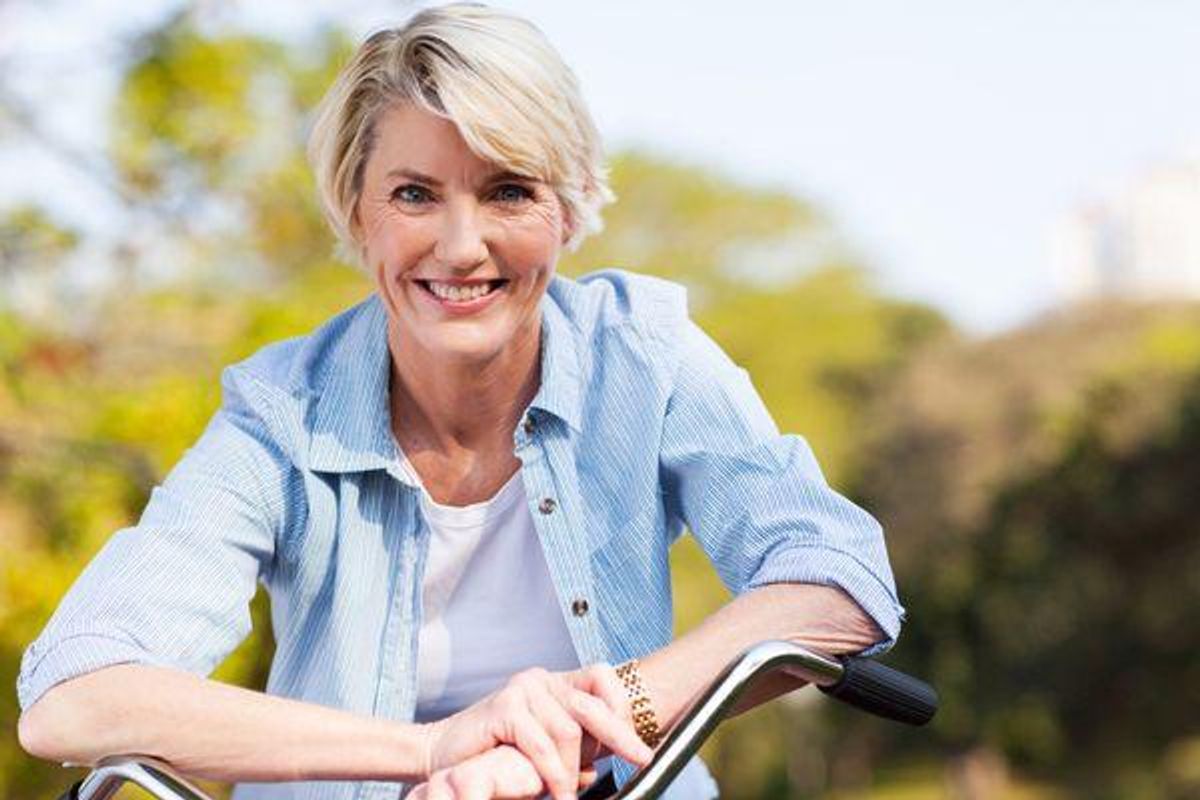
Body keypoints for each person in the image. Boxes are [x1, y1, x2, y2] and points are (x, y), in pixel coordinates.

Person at [16, 4, 903, 799]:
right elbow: (72, 697)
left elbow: (840, 575)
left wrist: (603, 715)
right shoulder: (281, 412)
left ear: (570, 208)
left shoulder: (642, 352)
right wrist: (438, 749)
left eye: (508, 190)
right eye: (414, 194)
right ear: (358, 215)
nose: (461, 244)